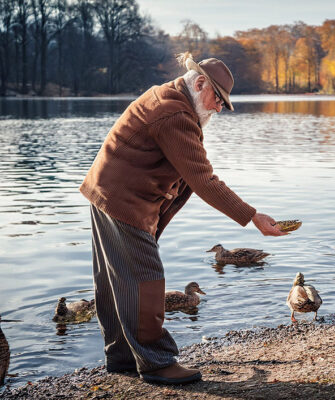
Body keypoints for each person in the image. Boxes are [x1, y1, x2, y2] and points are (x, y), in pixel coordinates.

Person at [79, 53, 286, 385]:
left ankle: (122, 359)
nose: (219, 108)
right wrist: (253, 217)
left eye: (223, 102)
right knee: (146, 278)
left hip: (108, 193)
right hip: (123, 198)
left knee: (117, 281)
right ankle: (157, 364)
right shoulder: (174, 113)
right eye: (217, 98)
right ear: (200, 82)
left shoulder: (174, 101)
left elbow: (186, 176)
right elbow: (203, 179)